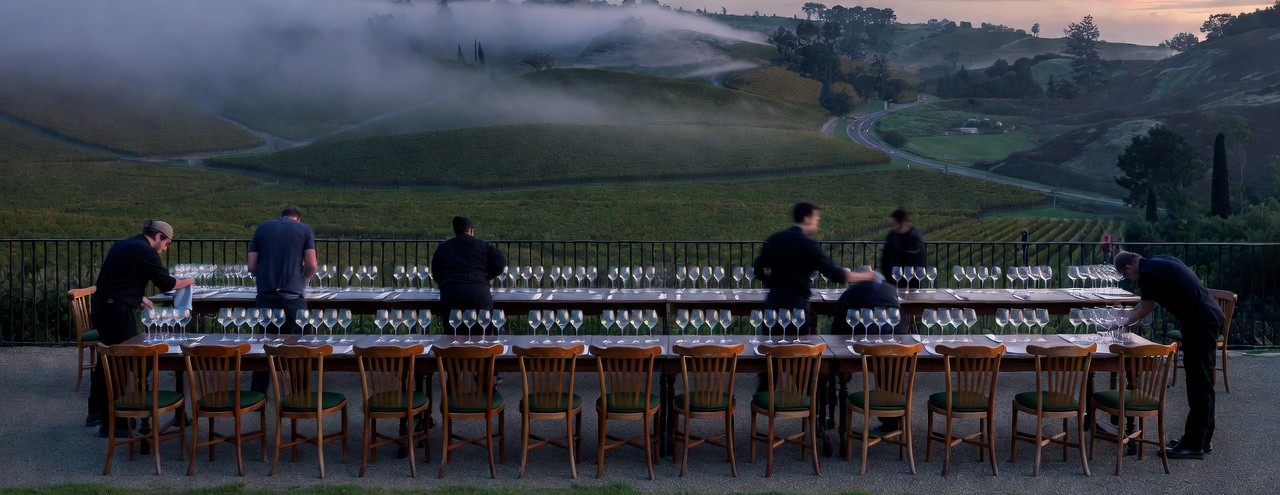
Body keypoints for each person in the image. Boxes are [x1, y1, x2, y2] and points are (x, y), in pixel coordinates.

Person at [87, 220, 195, 437]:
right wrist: (189, 281)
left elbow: (117, 279)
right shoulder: (145, 251)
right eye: (167, 243)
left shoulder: (125, 244)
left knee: (107, 360)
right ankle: (116, 424)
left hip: (103, 307)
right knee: (123, 361)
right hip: (116, 311)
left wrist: (138, 297)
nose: (165, 248)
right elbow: (166, 283)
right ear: (158, 237)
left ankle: (97, 412)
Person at [1113, 251, 1224, 460]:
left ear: (1127, 269)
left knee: (1198, 384)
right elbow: (1144, 304)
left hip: (1199, 323)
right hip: (1205, 318)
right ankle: (1202, 439)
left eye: (1129, 278)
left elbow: (1145, 306)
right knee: (1204, 383)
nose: (1134, 282)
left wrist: (1119, 324)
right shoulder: (1158, 261)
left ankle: (1194, 445)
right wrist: (1126, 317)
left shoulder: (1148, 274)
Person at [753, 202, 877, 336]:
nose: (818, 222)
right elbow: (835, 274)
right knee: (797, 351)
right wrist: (867, 276)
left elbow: (758, 270)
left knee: (771, 347)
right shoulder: (808, 244)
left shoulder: (775, 239)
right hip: (796, 307)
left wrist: (773, 282)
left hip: (773, 303)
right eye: (816, 219)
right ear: (806, 218)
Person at [247, 206, 317, 393]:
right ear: (298, 219)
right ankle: (300, 392)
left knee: (264, 345)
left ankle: (258, 394)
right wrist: (303, 280)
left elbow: (252, 266)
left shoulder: (262, 228)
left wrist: (263, 276)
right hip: (293, 295)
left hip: (266, 294)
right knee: (301, 344)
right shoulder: (305, 230)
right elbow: (311, 264)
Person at [827, 270, 904, 432]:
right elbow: (901, 318)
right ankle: (892, 418)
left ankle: (837, 420)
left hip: (860, 344)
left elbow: (838, 322)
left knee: (841, 372)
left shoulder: (851, 292)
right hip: (893, 343)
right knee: (891, 374)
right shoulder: (890, 289)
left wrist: (834, 354)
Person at [431, 216, 507, 333]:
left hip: (451, 294)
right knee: (482, 336)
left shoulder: (443, 247)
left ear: (455, 231)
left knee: (453, 335)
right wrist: (485, 277)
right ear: (471, 230)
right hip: (478, 293)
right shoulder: (483, 245)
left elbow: (436, 272)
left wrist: (446, 282)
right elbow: (500, 263)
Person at [879, 207, 926, 290]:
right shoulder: (892, 236)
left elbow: (918, 262)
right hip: (892, 283)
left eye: (894, 221)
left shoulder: (914, 238)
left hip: (910, 284)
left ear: (901, 222)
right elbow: (885, 258)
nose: (891, 223)